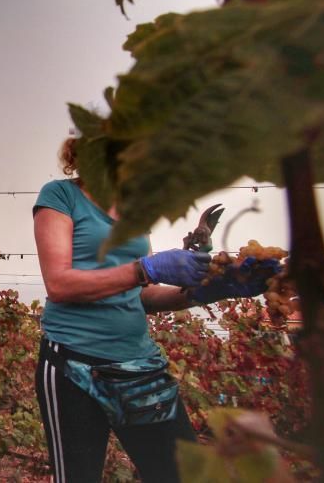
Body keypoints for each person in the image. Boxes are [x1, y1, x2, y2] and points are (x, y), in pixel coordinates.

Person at [32, 133, 276, 483]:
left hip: (139, 366)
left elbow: (142, 295)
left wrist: (210, 290)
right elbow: (59, 284)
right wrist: (145, 269)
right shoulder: (61, 196)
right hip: (73, 365)